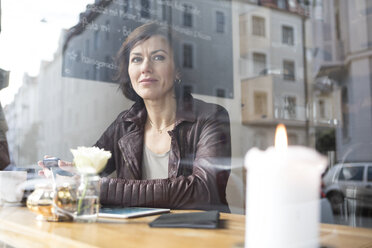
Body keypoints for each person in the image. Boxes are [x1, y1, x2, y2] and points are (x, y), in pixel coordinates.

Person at [39, 22, 231, 212]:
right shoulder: (125, 124)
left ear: (177, 70)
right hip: (138, 237)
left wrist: (100, 187)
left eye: (158, 57)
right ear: (129, 71)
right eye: (137, 60)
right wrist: (65, 173)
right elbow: (90, 171)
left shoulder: (211, 117)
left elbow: (204, 191)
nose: (145, 68)